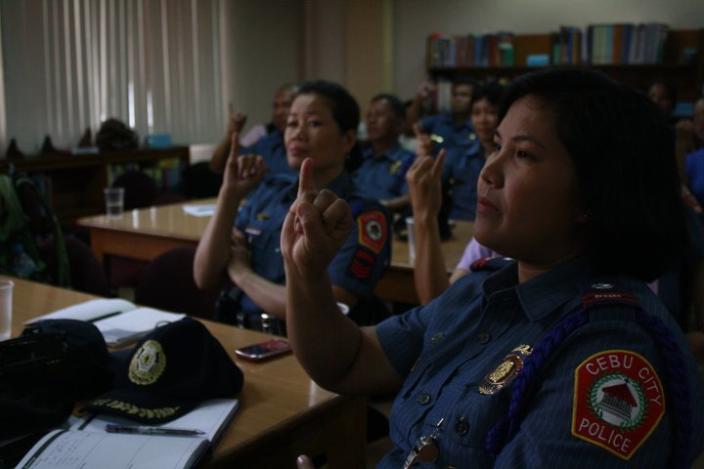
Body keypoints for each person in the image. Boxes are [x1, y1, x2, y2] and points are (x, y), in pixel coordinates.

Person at [281, 69, 704, 467]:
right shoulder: (482, 289)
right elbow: (348, 360)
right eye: (496, 146)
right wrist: (307, 270)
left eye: (522, 154)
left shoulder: (610, 354)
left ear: (594, 194)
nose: (489, 171)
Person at [194, 80, 391, 334]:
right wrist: (229, 195)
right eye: (291, 123)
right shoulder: (269, 191)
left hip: (303, 348)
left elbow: (327, 307)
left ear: (348, 139)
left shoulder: (359, 213)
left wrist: (242, 274)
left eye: (314, 123)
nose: (298, 133)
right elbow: (204, 276)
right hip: (239, 335)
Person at [210, 83, 298, 178]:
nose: (278, 112)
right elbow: (217, 166)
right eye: (275, 106)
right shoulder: (266, 143)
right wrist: (232, 133)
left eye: (286, 105)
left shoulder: (308, 144)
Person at [352, 93, 415, 212]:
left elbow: (410, 197)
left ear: (399, 124)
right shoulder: (358, 156)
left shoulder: (409, 160)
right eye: (369, 115)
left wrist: (376, 207)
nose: (371, 120)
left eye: (379, 115)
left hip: (384, 220)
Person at [417, 77, 475, 154]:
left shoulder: (478, 124)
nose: (457, 99)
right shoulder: (439, 120)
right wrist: (419, 98)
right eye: (454, 94)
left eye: (463, 95)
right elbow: (410, 127)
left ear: (474, 99)